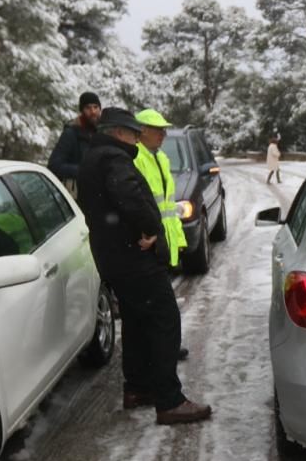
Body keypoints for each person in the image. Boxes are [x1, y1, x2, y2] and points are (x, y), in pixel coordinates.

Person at [77, 106, 211, 424]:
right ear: (118, 132)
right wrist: (151, 228)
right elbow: (130, 198)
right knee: (165, 319)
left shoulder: (93, 157)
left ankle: (137, 388)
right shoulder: (113, 158)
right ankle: (169, 400)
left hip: (113, 255)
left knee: (137, 321)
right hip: (132, 256)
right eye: (133, 133)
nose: (136, 139)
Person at [133, 108, 190, 361]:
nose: (164, 135)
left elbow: (168, 206)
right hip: (149, 245)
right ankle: (162, 353)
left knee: (162, 306)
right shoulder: (137, 159)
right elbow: (138, 203)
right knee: (160, 307)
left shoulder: (161, 158)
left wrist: (176, 240)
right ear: (142, 130)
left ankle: (166, 348)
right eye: (159, 130)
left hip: (162, 242)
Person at [49, 92, 101, 196]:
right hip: (76, 196)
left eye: (96, 107)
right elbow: (54, 165)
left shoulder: (102, 132)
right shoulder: (71, 133)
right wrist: (82, 170)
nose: (93, 111)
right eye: (88, 108)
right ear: (82, 110)